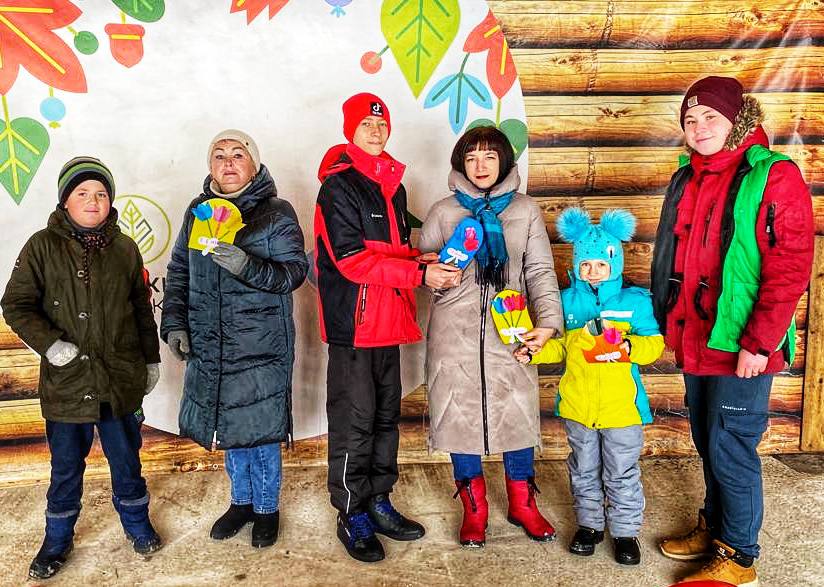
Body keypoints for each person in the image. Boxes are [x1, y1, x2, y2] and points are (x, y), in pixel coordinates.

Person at [650, 76, 814, 586]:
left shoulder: (774, 175)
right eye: (690, 119)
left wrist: (759, 343)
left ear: (737, 120)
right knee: (707, 436)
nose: (698, 128)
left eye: (710, 118)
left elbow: (790, 267)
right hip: (697, 335)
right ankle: (716, 526)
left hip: (744, 342)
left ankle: (739, 558)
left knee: (732, 444)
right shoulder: (688, 176)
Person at [314, 92, 460, 563]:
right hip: (354, 327)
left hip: (388, 322)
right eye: (365, 124)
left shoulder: (391, 187)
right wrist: (418, 274)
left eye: (381, 123)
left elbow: (386, 249)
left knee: (383, 420)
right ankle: (351, 512)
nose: (375, 130)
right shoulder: (338, 188)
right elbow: (351, 260)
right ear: (350, 131)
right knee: (353, 422)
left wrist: (419, 257)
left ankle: (379, 499)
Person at [1, 157, 163, 579]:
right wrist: (50, 345)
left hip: (118, 381)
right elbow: (15, 304)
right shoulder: (41, 246)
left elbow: (141, 310)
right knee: (66, 468)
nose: (93, 201)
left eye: (102, 193)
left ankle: (137, 524)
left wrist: (150, 359)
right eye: (83, 193)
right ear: (65, 201)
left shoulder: (125, 249)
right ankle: (57, 541)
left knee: (126, 461)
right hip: (68, 384)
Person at [161, 130, 307, 549]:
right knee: (227, 426)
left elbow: (293, 274)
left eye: (237, 154)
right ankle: (241, 502)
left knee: (260, 433)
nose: (228, 162)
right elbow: (179, 271)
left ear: (254, 164)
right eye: (219, 155)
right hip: (213, 344)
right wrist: (175, 324)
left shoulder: (276, 213)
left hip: (261, 346)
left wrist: (245, 265)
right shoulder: (199, 212)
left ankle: (267, 508)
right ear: (210, 166)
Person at [419, 125, 563, 548]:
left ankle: (523, 503)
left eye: (489, 157)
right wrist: (433, 273)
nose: (480, 166)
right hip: (454, 333)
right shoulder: (442, 212)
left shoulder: (525, 210)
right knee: (458, 416)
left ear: (504, 162)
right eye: (471, 158)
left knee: (516, 415)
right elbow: (425, 273)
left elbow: (539, 270)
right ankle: (474, 508)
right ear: (460, 164)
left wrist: (547, 324)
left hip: (512, 332)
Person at [515, 207, 664, 565]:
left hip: (622, 410)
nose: (593, 271)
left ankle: (625, 532)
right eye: (585, 264)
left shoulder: (634, 302)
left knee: (621, 472)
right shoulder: (566, 302)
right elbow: (559, 347)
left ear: (615, 263)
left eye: (600, 264)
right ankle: (590, 525)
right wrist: (534, 351)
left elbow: (654, 344)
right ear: (576, 265)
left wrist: (629, 346)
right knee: (583, 468)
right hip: (579, 407)